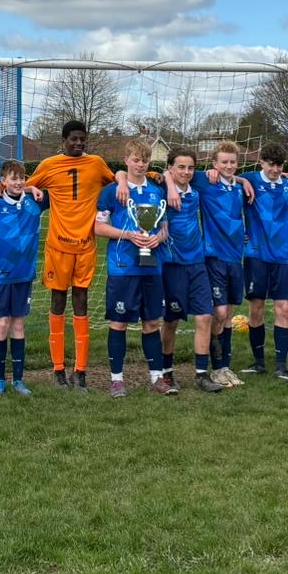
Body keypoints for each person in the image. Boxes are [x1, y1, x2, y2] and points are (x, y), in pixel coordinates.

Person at [26, 120, 116, 389]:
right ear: (63, 140)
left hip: (86, 245)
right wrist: (31, 187)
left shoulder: (96, 163)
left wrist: (136, 177)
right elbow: (23, 186)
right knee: (57, 303)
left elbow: (115, 182)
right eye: (73, 139)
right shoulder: (49, 165)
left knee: (82, 303)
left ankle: (81, 371)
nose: (78, 143)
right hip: (58, 246)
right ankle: (57, 371)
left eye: (82, 139)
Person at [93, 139, 169, 397]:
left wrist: (158, 237)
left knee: (152, 322)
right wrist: (128, 235)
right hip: (123, 267)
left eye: (144, 160)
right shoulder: (112, 191)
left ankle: (157, 377)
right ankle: (116, 380)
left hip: (151, 267)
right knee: (119, 324)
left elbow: (163, 226)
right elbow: (98, 227)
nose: (140, 164)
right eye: (135, 159)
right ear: (126, 160)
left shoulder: (157, 191)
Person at [158, 148, 223, 394]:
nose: (186, 172)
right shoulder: (159, 189)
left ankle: (201, 374)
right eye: (180, 167)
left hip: (197, 263)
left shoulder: (196, 190)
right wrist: (169, 184)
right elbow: (130, 173)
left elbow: (227, 174)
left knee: (205, 316)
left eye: (190, 167)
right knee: (171, 321)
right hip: (172, 264)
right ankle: (166, 372)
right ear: (171, 168)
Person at [0, 160, 48, 396]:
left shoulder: (35, 203)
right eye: (13, 178)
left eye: (22, 178)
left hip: (24, 275)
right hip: (0, 275)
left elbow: (59, 188)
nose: (18, 182)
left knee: (18, 325)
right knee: (1, 324)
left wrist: (32, 189)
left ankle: (18, 380)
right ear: (3, 181)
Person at [196, 141, 252, 387]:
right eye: (224, 162)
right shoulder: (206, 182)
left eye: (232, 162)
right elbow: (172, 171)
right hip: (214, 257)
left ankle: (223, 368)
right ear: (214, 164)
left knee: (228, 314)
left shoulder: (239, 188)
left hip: (235, 257)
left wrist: (242, 180)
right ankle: (215, 366)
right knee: (218, 312)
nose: (228, 166)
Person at [243, 145, 288, 379]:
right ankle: (258, 362)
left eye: (279, 165)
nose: (275, 169)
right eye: (270, 164)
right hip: (256, 255)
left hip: (282, 256)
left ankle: (281, 365)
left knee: (283, 308)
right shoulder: (249, 180)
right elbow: (224, 177)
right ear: (261, 163)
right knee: (256, 308)